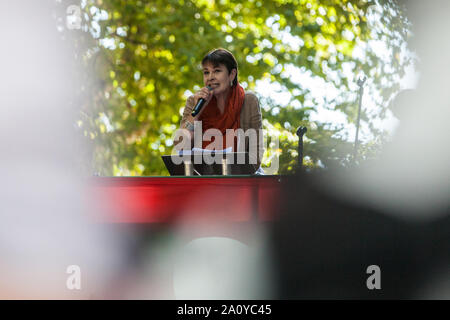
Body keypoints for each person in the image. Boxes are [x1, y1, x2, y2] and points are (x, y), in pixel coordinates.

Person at [176, 48, 264, 171]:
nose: (210, 77)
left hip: (242, 178)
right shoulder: (194, 101)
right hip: (202, 179)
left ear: (232, 74)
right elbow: (180, 148)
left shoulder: (248, 101)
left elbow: (256, 155)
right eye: (206, 72)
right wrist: (195, 114)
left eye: (217, 71)